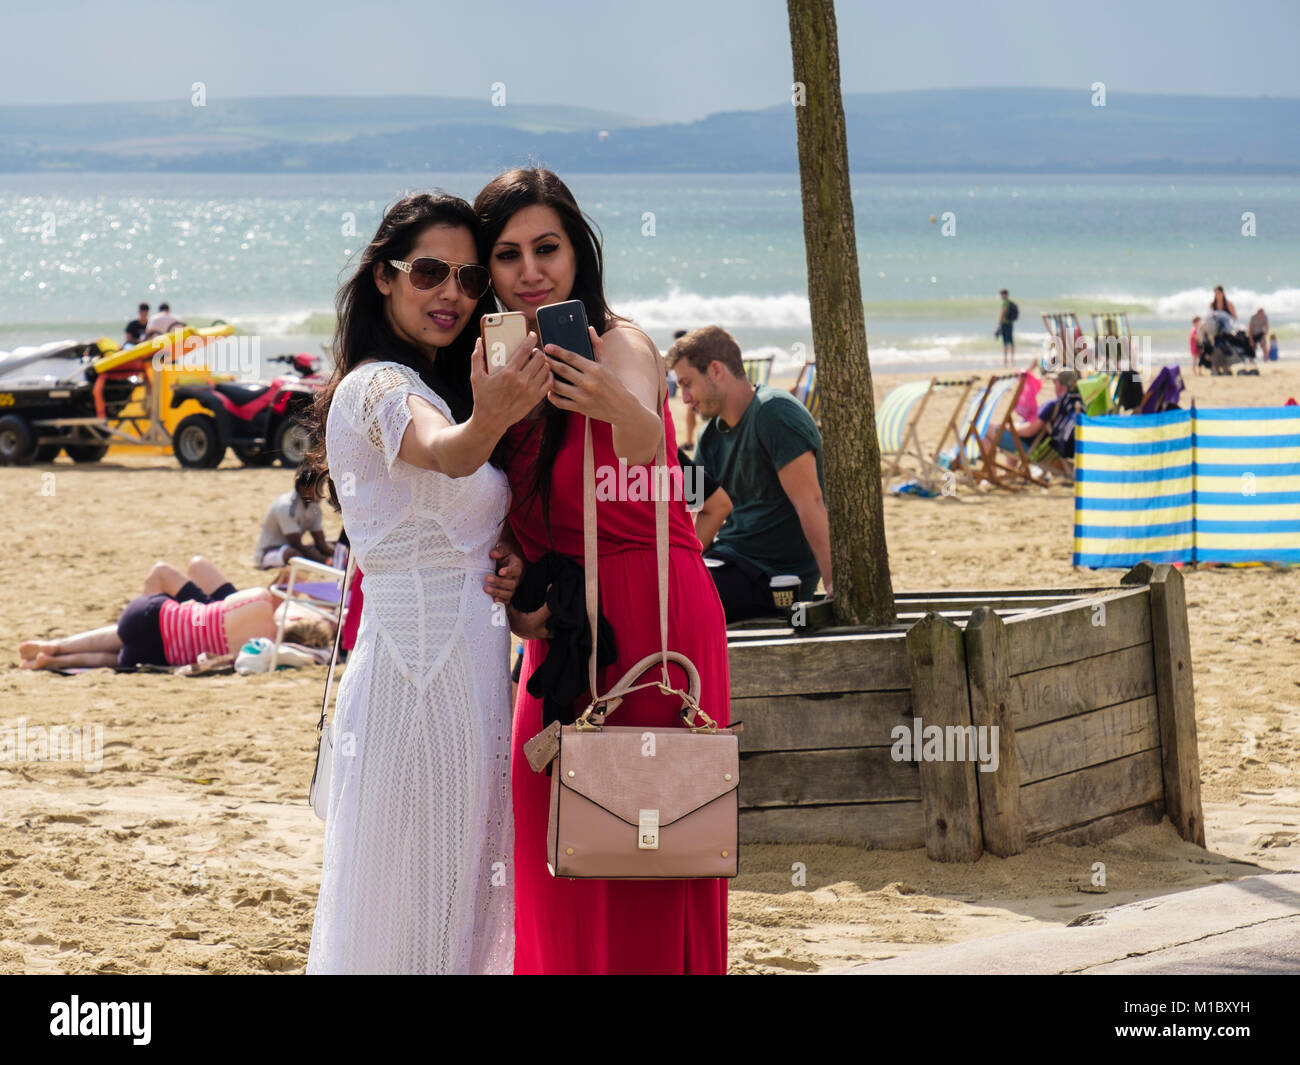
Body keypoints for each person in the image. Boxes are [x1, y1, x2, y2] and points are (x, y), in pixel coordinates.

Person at [474, 167, 730, 975]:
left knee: (652, 836)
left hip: (654, 611)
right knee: (548, 815)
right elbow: (518, 541)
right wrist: (518, 598)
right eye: (509, 255)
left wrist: (611, 400)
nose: (531, 271)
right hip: (568, 628)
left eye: (546, 248)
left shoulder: (620, 342)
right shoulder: (502, 380)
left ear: (576, 253)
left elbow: (644, 442)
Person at [302, 192, 545, 975]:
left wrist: (501, 550)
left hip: (474, 678)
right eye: (430, 271)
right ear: (383, 276)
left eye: (472, 279)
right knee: (408, 903)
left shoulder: (434, 385)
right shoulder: (376, 387)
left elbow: (452, 505)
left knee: (458, 901)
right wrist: (493, 419)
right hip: (415, 683)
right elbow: (445, 452)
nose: (452, 293)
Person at [667, 325, 831, 623]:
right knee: (657, 589)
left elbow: (811, 502)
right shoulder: (709, 437)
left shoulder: (774, 413)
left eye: (688, 383)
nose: (686, 398)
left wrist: (833, 586)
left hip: (776, 578)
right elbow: (699, 513)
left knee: (678, 601)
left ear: (716, 370)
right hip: (730, 562)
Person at [17, 556, 325, 671]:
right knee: (117, 657)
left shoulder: (260, 601)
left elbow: (280, 584)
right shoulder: (252, 653)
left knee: (120, 633)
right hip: (158, 654)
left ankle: (57, 645)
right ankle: (55, 660)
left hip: (154, 615)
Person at [254, 466, 335, 569]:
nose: (321, 491)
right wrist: (326, 560)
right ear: (303, 488)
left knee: (333, 544)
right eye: (318, 486)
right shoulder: (286, 506)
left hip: (293, 547)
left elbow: (320, 542)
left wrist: (335, 553)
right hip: (270, 552)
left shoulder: (314, 507)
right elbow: (296, 544)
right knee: (294, 555)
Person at [995, 289, 1016, 366]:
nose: (1001, 296)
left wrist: (998, 323)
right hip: (1010, 324)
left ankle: (1006, 360)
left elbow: (1002, 313)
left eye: (1001, 294)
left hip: (1005, 324)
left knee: (1005, 342)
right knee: (1011, 341)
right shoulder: (1009, 302)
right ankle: (1012, 359)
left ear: (1004, 294)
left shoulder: (1005, 303)